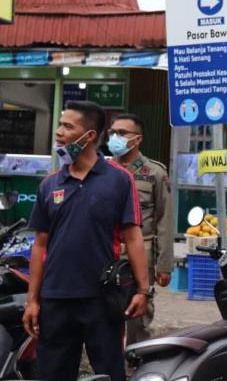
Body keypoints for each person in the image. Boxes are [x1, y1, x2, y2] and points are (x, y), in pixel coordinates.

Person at [22, 101, 150, 381]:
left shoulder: (119, 180)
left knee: (109, 373)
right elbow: (40, 244)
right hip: (55, 299)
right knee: (52, 374)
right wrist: (33, 299)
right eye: (59, 124)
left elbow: (132, 236)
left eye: (68, 126)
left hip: (101, 299)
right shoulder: (49, 184)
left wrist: (143, 289)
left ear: (89, 136)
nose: (58, 132)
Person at [108, 113, 175, 345]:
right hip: (108, 249)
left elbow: (165, 219)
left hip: (142, 249)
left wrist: (165, 264)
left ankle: (135, 363)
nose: (115, 137)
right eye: (112, 132)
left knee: (138, 313)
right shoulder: (103, 170)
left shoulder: (155, 173)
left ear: (138, 139)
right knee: (105, 309)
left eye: (122, 133)